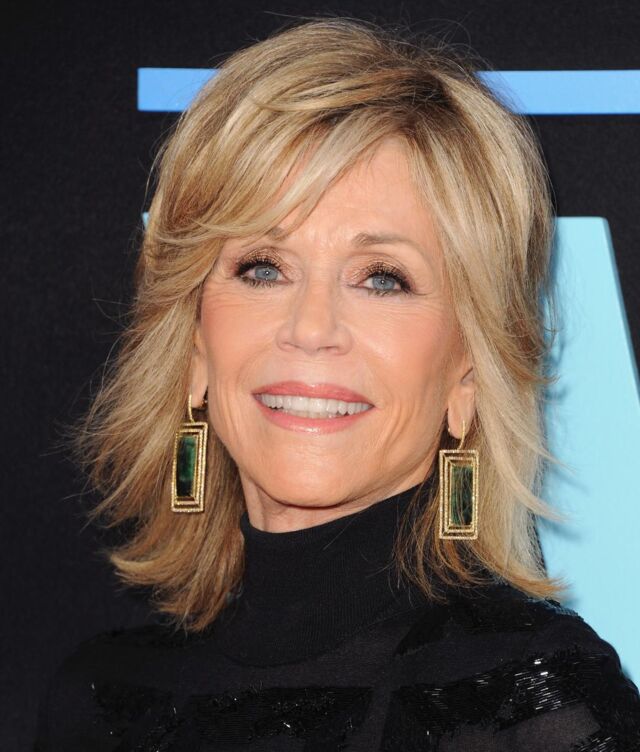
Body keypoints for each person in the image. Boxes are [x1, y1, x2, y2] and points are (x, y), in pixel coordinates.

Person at [34, 17, 640, 751]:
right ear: (193, 346)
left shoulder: (531, 709)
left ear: (468, 372)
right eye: (263, 268)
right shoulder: (99, 702)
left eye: (382, 278)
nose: (311, 327)